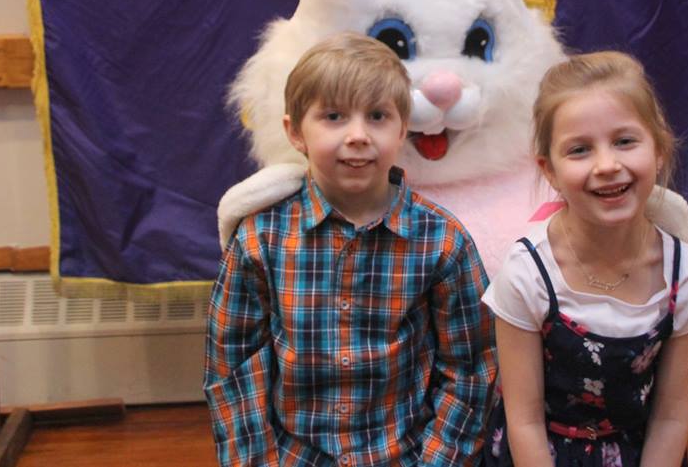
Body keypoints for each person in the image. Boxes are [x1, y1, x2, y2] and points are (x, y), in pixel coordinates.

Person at [204, 31, 497, 466]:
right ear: (295, 132)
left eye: (377, 116)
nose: (358, 135)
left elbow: (471, 370)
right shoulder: (259, 240)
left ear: (403, 130)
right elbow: (234, 369)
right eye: (334, 116)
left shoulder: (443, 241)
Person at [482, 51, 688, 467]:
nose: (607, 165)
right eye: (580, 149)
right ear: (549, 170)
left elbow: (672, 416)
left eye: (625, 141)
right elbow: (524, 421)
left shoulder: (685, 275)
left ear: (658, 149)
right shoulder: (526, 274)